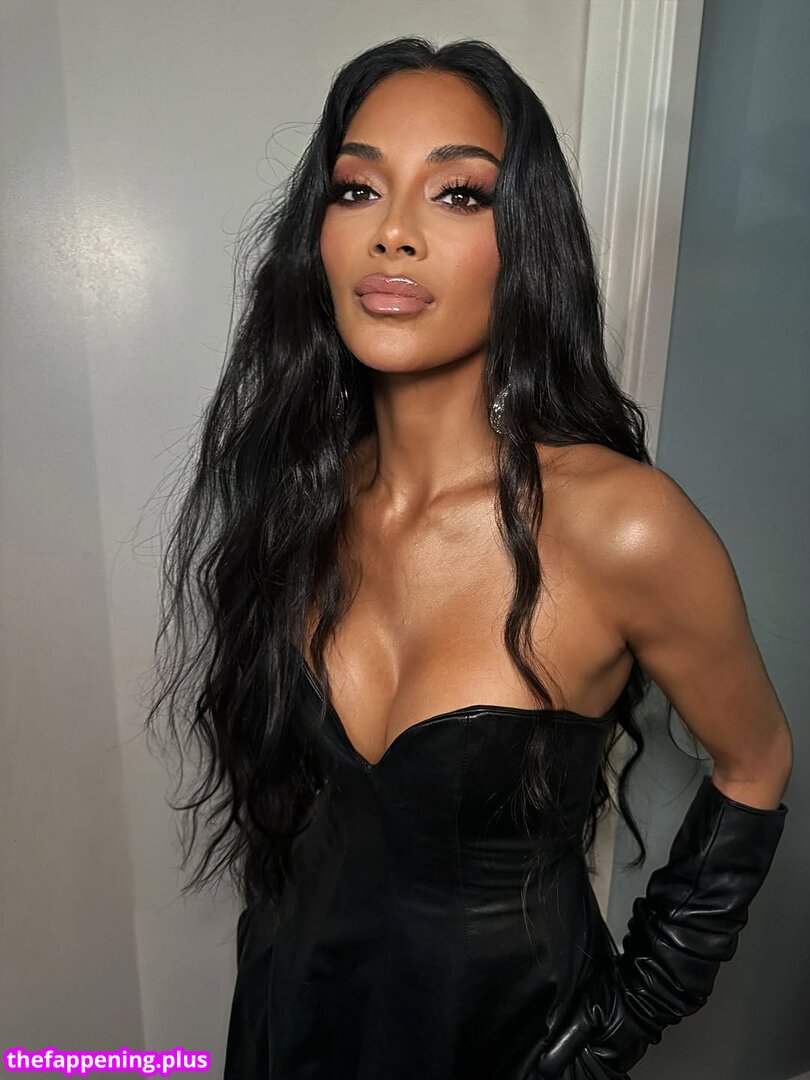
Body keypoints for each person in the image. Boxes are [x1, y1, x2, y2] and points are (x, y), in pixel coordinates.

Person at [143, 36, 792, 1080]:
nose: (392, 231)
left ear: (524, 240)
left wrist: (623, 1023)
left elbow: (757, 762)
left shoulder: (624, 528)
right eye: (357, 188)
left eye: (458, 195)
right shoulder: (295, 497)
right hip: (286, 1023)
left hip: (509, 1048)